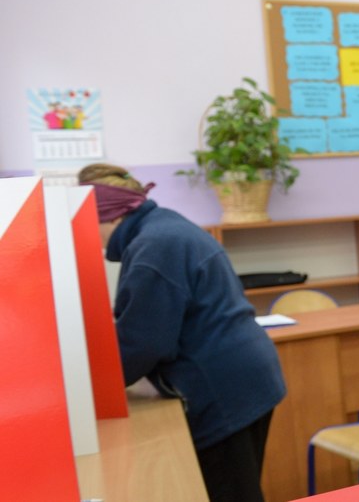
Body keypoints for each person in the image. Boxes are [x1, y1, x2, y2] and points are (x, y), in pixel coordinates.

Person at [79, 163, 285, 502]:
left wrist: (87, 389)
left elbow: (142, 342)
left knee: (230, 492)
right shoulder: (163, 227)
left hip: (224, 386)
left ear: (112, 216)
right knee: (239, 489)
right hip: (247, 375)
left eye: (91, 225)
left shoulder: (152, 247)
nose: (92, 238)